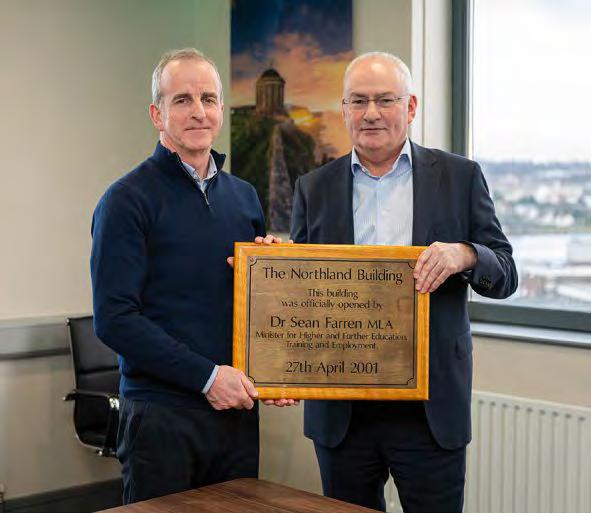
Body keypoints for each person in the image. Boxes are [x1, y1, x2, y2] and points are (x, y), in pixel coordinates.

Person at [290, 52, 518, 512]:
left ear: (410, 107)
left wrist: (465, 254)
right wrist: (271, 265)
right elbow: (299, 295)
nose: (371, 113)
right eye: (358, 101)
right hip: (343, 412)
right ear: (344, 110)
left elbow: (506, 273)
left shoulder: (460, 177)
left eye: (385, 100)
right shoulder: (313, 188)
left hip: (429, 411)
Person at [91, 48, 292, 504]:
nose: (198, 111)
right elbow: (115, 319)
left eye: (208, 98)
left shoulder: (244, 197)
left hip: (236, 415)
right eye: (182, 100)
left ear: (221, 108)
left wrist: (275, 366)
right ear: (157, 115)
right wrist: (208, 378)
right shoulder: (126, 200)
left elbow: (248, 305)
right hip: (161, 419)